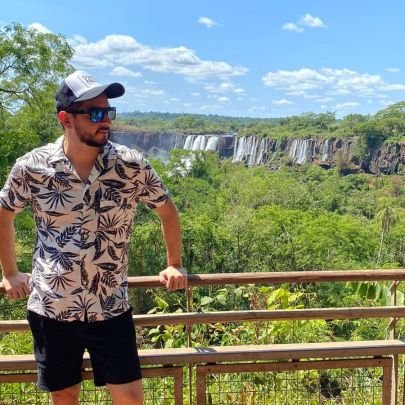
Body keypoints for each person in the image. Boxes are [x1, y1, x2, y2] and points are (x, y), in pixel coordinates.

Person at [0, 70, 188, 405]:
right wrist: (10, 272)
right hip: (52, 307)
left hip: (111, 306)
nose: (106, 121)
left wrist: (174, 264)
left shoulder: (130, 165)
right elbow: (4, 213)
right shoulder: (32, 167)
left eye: (108, 112)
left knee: (130, 398)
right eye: (96, 113)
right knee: (65, 395)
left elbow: (167, 210)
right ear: (65, 119)